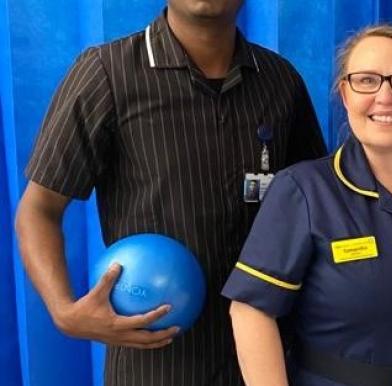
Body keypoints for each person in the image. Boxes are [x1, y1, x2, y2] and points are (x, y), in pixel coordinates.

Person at [14, 0, 326, 385]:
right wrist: (64, 311)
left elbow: (320, 205)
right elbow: (39, 208)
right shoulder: (106, 74)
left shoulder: (280, 81)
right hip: (156, 360)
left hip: (266, 360)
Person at [222, 24, 392, 386]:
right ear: (344, 95)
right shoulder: (303, 191)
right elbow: (251, 309)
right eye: (366, 80)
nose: (385, 96)